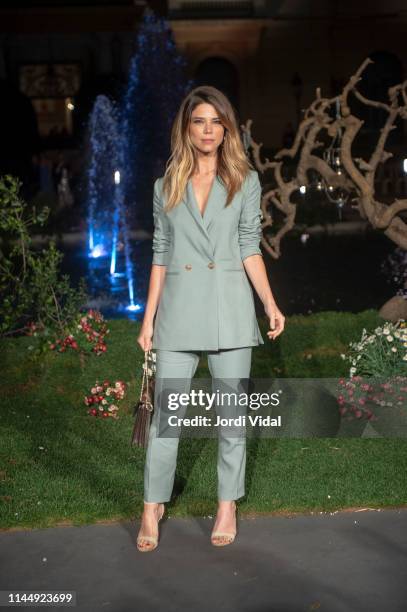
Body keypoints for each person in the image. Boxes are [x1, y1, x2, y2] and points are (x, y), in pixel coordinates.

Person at [136, 85, 285, 552]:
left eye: (215, 122)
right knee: (166, 419)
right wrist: (148, 320)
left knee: (231, 417)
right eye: (199, 121)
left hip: (230, 310)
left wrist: (270, 304)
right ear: (187, 127)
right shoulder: (166, 186)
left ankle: (227, 503)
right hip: (178, 313)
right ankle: (151, 504)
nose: (207, 130)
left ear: (226, 129)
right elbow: (160, 253)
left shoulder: (245, 180)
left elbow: (248, 246)